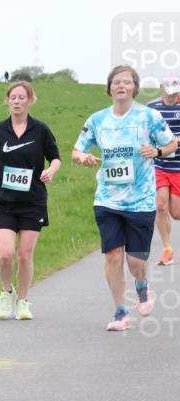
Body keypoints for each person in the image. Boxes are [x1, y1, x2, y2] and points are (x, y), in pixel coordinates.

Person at [71, 65, 178, 331]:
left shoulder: (149, 116)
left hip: (140, 201)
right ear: (109, 88)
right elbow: (76, 150)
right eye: (116, 82)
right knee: (113, 256)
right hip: (107, 199)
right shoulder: (97, 120)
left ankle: (142, 286)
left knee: (136, 262)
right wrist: (82, 157)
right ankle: (120, 312)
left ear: (134, 87)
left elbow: (172, 143)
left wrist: (157, 151)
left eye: (127, 82)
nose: (121, 86)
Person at [0, 81, 61, 320]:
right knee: (5, 253)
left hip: (33, 201)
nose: (17, 101)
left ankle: (23, 301)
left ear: (30, 100)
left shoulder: (40, 130)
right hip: (4, 201)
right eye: (13, 97)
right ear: (7, 100)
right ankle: (6, 293)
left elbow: (55, 158)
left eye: (22, 97)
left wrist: (51, 171)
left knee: (24, 255)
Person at [147, 76, 180, 266]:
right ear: (161, 88)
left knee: (176, 213)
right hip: (159, 164)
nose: (172, 93)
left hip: (178, 165)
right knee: (160, 206)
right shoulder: (152, 108)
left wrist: (172, 142)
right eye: (168, 89)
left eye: (175, 90)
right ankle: (167, 250)